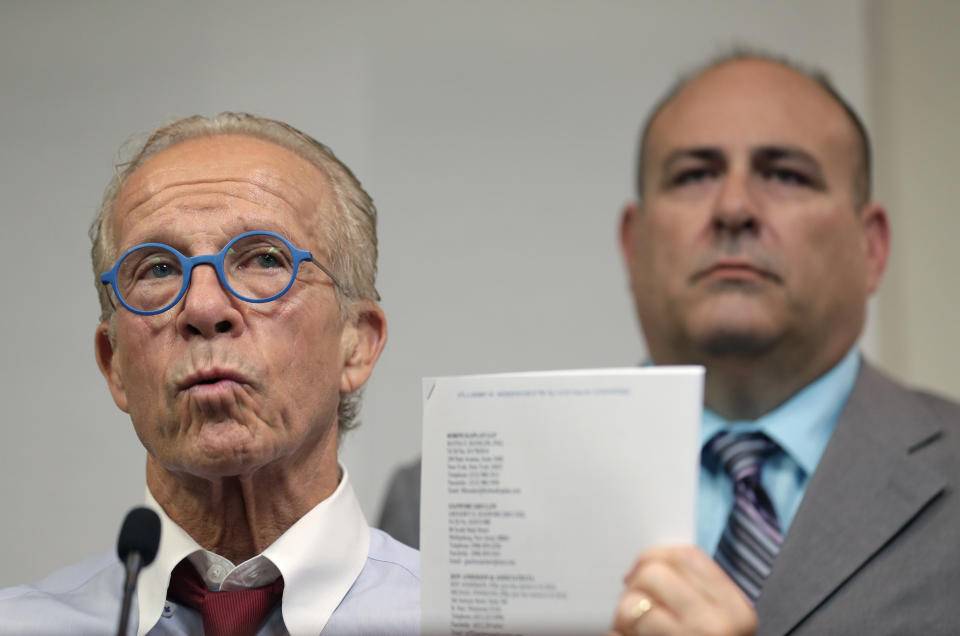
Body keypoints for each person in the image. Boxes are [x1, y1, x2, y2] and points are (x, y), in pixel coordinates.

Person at [380, 52, 960, 635]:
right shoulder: (435, 509)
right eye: (694, 175)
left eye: (786, 174)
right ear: (633, 245)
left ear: (872, 249)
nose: (734, 208)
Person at [0, 113, 419, 635]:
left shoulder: (475, 624)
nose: (202, 307)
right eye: (157, 268)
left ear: (355, 344)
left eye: (264, 258)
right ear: (114, 366)